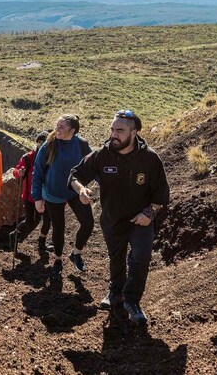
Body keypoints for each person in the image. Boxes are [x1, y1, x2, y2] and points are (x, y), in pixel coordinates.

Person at [69, 109, 169, 325]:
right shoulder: (101, 155)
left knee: (140, 257)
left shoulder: (150, 158)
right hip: (112, 219)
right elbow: (75, 175)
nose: (114, 134)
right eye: (112, 129)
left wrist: (148, 212)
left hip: (140, 220)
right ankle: (115, 293)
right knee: (116, 258)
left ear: (134, 133)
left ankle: (132, 301)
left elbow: (162, 195)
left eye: (120, 131)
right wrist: (81, 190)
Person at [33, 114, 93, 280]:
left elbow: (94, 165)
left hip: (75, 190)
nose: (57, 130)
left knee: (88, 224)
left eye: (61, 127)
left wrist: (108, 183)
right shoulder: (49, 145)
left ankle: (76, 253)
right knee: (59, 228)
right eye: (56, 126)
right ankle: (58, 259)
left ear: (72, 130)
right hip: (53, 193)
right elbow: (37, 172)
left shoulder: (81, 144)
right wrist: (37, 197)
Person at [9, 130, 53, 254]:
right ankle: (14, 234)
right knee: (29, 222)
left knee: (47, 220)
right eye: (41, 142)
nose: (43, 145)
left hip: (46, 195)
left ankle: (42, 244)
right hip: (30, 195)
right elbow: (16, 171)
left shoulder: (51, 157)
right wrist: (20, 173)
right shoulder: (28, 158)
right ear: (37, 143)